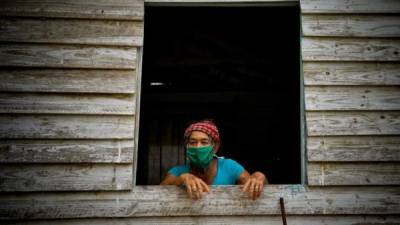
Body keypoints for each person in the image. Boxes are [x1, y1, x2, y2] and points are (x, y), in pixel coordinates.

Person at [160, 120, 267, 200]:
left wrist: (259, 176)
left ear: (215, 147)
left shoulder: (229, 167)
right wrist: (183, 178)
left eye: (204, 142)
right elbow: (162, 187)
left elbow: (255, 185)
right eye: (192, 142)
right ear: (186, 146)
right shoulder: (178, 172)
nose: (198, 147)